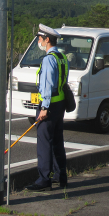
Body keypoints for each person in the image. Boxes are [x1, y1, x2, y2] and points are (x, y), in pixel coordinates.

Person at [25, 24, 69, 192]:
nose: (39, 41)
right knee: (57, 141)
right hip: (60, 106)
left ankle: (44, 179)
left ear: (47, 39)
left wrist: (44, 107)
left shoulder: (49, 59)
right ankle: (61, 176)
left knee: (44, 143)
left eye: (40, 39)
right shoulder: (62, 58)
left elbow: (48, 85)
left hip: (48, 107)